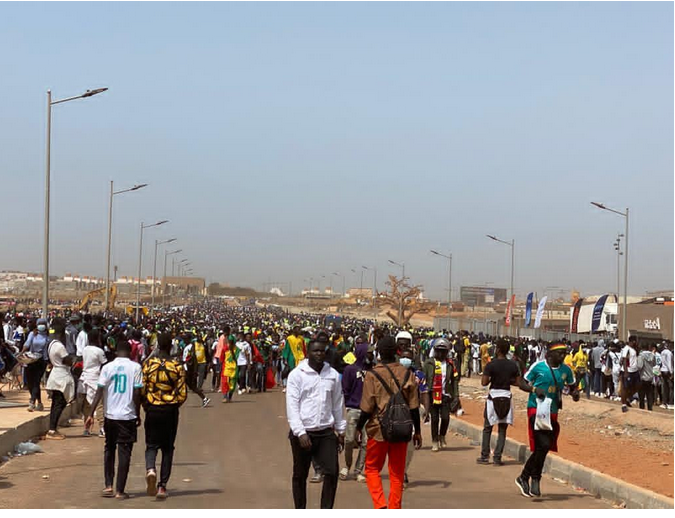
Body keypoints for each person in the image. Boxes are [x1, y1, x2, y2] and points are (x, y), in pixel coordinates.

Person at [356, 336, 422, 509]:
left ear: (378, 353)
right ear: (397, 352)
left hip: (378, 430)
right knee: (397, 473)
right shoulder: (408, 373)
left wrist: (358, 428)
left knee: (371, 469)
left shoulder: (372, 375)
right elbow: (414, 407)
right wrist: (418, 432)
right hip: (401, 429)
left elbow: (366, 407)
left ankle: (380, 506)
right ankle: (394, 508)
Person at [286, 331, 346, 509]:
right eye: (315, 351)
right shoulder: (297, 375)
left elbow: (337, 404)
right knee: (300, 475)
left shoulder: (333, 375)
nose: (319, 354)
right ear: (308, 353)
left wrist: (341, 430)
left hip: (326, 432)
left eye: (322, 351)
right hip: (303, 433)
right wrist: (300, 432)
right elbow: (292, 406)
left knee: (332, 472)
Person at [515, 343, 580, 498]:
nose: (563, 356)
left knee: (543, 448)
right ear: (550, 354)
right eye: (560, 353)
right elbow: (521, 382)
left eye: (565, 353)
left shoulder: (566, 370)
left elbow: (573, 388)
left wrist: (575, 394)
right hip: (536, 410)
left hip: (552, 412)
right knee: (542, 444)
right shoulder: (538, 367)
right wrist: (533, 389)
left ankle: (525, 477)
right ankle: (534, 478)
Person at [86, 339, 143, 499]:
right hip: (127, 416)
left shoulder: (107, 367)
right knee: (125, 452)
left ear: (116, 351)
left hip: (110, 415)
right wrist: (138, 413)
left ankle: (108, 485)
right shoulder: (136, 367)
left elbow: (99, 391)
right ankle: (120, 490)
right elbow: (137, 393)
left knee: (109, 449)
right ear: (131, 352)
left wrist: (90, 414)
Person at [142, 333, 187, 500]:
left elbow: (142, 389)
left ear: (158, 346)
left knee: (151, 445)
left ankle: (150, 469)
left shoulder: (148, 365)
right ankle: (162, 486)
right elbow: (182, 394)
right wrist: (173, 404)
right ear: (171, 347)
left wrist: (146, 405)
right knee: (168, 449)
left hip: (152, 409)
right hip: (170, 411)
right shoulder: (177, 366)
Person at [477, 338, 528, 465]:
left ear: (498, 349)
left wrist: (492, 377)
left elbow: (484, 382)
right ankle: (497, 457)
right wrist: (507, 380)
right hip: (506, 396)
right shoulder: (512, 365)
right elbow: (518, 382)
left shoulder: (491, 364)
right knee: (502, 429)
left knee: (488, 428)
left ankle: (484, 456)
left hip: (493, 397)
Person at [340, 338, 371, 483]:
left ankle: (358, 470)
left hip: (368, 411)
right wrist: (346, 405)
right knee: (349, 440)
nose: (371, 356)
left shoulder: (372, 370)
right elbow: (345, 389)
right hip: (353, 408)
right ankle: (347, 465)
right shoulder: (350, 369)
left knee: (365, 442)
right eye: (368, 353)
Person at [423, 338, 459, 452]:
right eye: (438, 351)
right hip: (432, 394)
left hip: (446, 395)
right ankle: (434, 441)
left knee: (445, 418)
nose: (441, 353)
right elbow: (424, 379)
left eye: (443, 351)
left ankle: (442, 435)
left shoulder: (450, 365)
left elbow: (454, 381)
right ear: (435, 351)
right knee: (434, 419)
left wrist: (456, 396)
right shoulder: (429, 363)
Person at [44, 317, 76, 439]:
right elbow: (67, 361)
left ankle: (52, 428)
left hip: (55, 375)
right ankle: (52, 430)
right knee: (59, 404)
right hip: (61, 376)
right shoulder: (60, 347)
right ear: (61, 333)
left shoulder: (51, 344)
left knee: (56, 403)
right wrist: (74, 360)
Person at [81, 328, 107, 437]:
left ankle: (86, 429)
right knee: (100, 405)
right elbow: (104, 363)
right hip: (96, 378)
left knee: (87, 404)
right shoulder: (99, 351)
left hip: (85, 378)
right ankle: (102, 428)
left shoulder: (85, 349)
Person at [22, 318, 49, 412]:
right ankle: (40, 402)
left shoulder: (48, 336)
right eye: (40, 324)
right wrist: (21, 353)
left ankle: (32, 402)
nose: (41, 325)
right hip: (31, 360)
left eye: (43, 324)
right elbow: (27, 344)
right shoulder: (32, 334)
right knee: (30, 383)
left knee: (36, 381)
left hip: (42, 361)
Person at [620, 337, 640, 413]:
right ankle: (624, 405)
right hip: (628, 370)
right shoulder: (626, 349)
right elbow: (625, 360)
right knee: (625, 387)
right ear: (633, 341)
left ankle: (628, 397)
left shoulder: (634, 349)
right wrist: (625, 372)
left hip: (635, 370)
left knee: (637, 386)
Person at [637, 342, 656, 411]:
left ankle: (642, 408)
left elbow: (639, 366)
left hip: (642, 377)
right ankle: (650, 408)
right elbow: (654, 366)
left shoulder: (641, 355)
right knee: (649, 394)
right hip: (650, 377)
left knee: (641, 394)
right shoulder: (653, 355)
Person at [660, 342, 673, 409]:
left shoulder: (662, 352)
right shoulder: (669, 353)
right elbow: (669, 363)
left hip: (663, 370)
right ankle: (670, 403)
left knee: (665, 387)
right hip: (667, 371)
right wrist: (671, 372)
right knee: (671, 387)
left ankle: (664, 402)